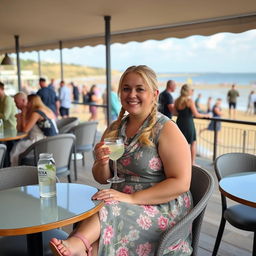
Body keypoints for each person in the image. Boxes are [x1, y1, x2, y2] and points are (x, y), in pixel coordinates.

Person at [50, 65, 193, 256]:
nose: (131, 94)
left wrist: (131, 198)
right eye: (126, 88)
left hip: (160, 206)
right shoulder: (115, 128)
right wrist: (101, 163)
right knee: (94, 210)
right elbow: (102, 178)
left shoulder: (166, 129)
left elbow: (181, 183)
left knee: (107, 209)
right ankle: (79, 249)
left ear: (154, 94)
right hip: (120, 198)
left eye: (139, 89)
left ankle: (73, 243)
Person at [10, 94, 58, 166]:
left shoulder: (36, 113)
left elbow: (25, 130)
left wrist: (23, 114)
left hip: (41, 142)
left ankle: (14, 170)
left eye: (27, 102)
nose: (26, 104)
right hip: (54, 140)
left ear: (31, 103)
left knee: (16, 148)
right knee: (18, 145)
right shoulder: (46, 109)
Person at [174, 84, 209, 165]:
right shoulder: (189, 101)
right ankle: (192, 162)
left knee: (181, 143)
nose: (192, 91)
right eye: (191, 90)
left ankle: (180, 161)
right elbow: (196, 114)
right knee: (193, 142)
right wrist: (206, 115)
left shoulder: (177, 101)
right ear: (188, 91)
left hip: (179, 123)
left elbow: (175, 113)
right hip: (188, 123)